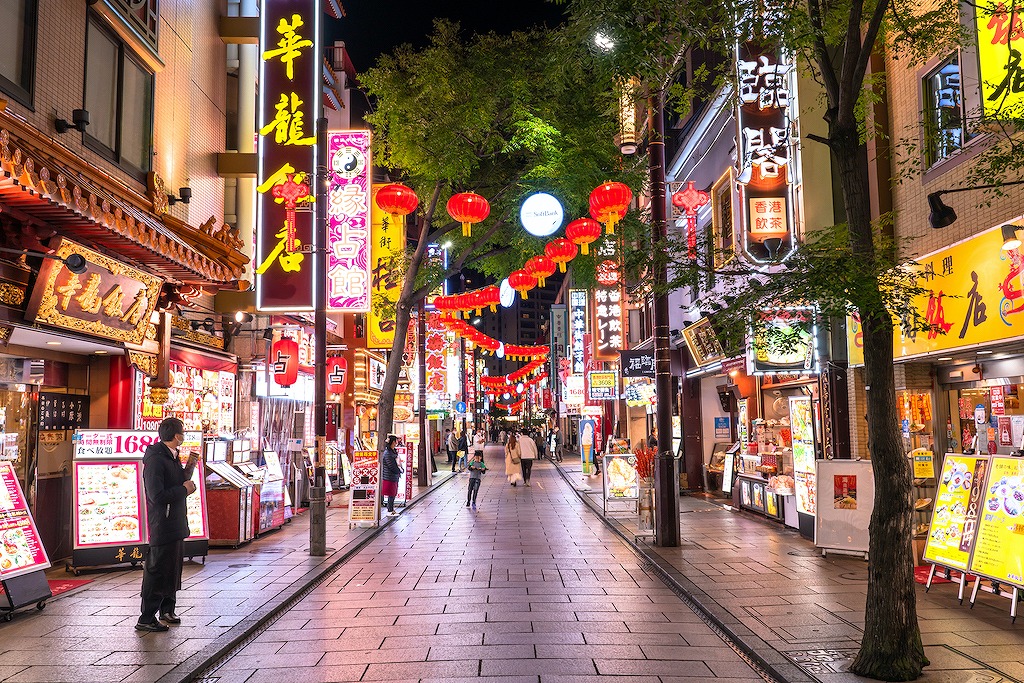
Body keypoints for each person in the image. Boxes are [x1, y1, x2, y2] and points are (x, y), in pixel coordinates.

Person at [137, 418, 198, 632]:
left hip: (176, 522)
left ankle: (167, 609)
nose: (184, 435)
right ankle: (146, 617)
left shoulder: (172, 456)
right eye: (183, 432)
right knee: (157, 570)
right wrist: (184, 490)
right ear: (176, 435)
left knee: (173, 569)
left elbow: (176, 483)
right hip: (162, 523)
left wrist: (188, 474)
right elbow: (157, 495)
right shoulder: (156, 459)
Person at [381, 434, 403, 516]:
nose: (397, 442)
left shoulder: (393, 451)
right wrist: (399, 470)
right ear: (393, 442)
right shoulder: (388, 453)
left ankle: (391, 509)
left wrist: (400, 469)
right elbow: (392, 466)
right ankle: (390, 510)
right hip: (389, 476)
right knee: (391, 493)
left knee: (393, 493)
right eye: (396, 440)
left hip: (393, 476)